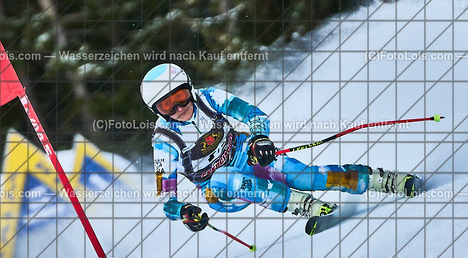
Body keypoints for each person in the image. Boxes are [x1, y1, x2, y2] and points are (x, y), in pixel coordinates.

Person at [142, 63, 421, 235]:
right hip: (219, 192)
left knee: (306, 177)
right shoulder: (165, 140)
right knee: (224, 178)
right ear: (157, 111)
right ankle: (307, 206)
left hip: (245, 155)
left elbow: (253, 114)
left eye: (180, 96)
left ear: (189, 88)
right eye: (167, 106)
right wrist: (183, 211)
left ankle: (382, 180)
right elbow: (166, 198)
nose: (179, 108)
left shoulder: (209, 98)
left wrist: (259, 139)